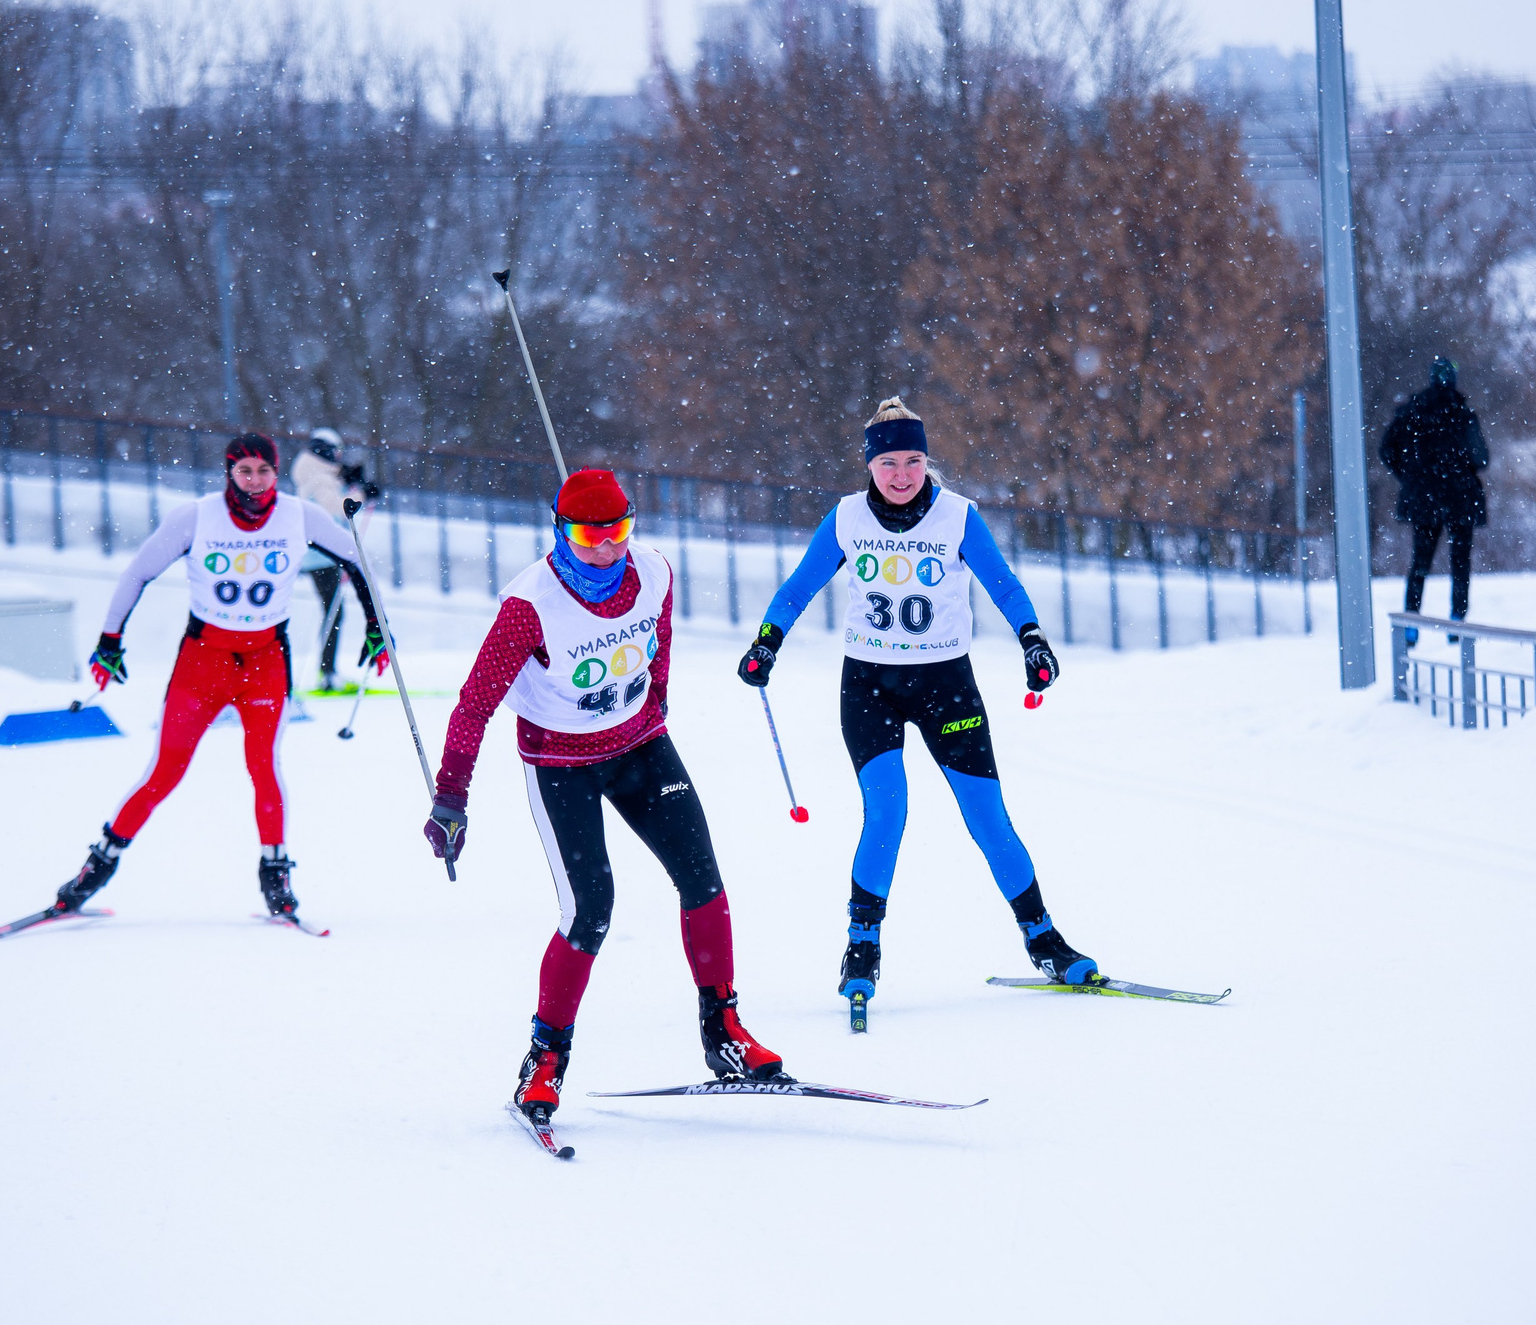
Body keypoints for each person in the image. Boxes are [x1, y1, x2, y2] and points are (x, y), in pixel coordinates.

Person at [424, 468, 789, 1132]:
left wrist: (661, 697)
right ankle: (545, 1058)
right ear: (562, 532)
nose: (608, 549)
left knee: (702, 878)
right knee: (591, 910)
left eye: (618, 530)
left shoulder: (654, 571)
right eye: (592, 536)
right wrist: (452, 798)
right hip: (561, 763)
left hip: (641, 746)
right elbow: (474, 706)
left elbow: (660, 639)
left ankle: (724, 1029)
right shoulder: (528, 606)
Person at [736, 396, 1094, 1011]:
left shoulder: (956, 517)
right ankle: (862, 946)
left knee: (988, 818)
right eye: (890, 463)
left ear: (927, 463)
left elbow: (1002, 583)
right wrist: (767, 643)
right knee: (887, 815)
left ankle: (1044, 939)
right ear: (870, 466)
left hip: (946, 685)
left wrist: (1032, 640)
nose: (902, 475)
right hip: (869, 685)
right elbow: (800, 586)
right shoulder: (847, 518)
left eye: (914, 461)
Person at [44, 434, 392, 921]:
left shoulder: (300, 515)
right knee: (164, 773)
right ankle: (94, 870)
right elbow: (136, 573)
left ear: (276, 472)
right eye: (244, 471)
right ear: (229, 472)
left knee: (264, 769)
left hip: (266, 662)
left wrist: (378, 627)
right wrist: (109, 640)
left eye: (263, 471)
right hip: (202, 662)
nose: (255, 481)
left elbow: (356, 558)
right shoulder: (197, 516)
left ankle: (276, 876)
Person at [1380, 357, 1489, 629]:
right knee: (1460, 562)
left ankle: (1412, 621)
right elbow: (1481, 458)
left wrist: (1410, 475)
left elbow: (1386, 450)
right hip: (1460, 497)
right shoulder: (1463, 414)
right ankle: (1457, 621)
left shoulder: (1410, 412)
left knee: (1420, 561)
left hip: (1423, 498)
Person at [290, 429, 371, 694]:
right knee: (334, 611)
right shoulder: (319, 478)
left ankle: (328, 670)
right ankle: (327, 673)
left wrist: (347, 480)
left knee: (332, 610)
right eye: (336, 452)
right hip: (322, 554)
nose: (338, 457)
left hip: (319, 553)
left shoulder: (315, 473)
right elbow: (337, 508)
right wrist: (363, 494)